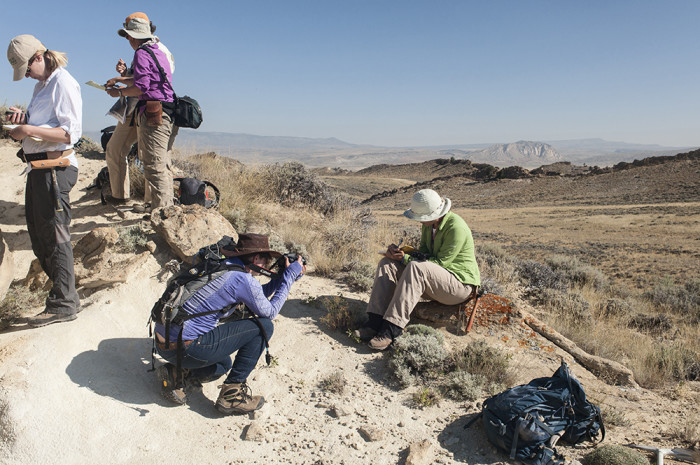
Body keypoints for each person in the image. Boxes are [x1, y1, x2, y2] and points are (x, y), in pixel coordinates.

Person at [154, 233, 305, 414]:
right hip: (188, 348)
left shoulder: (224, 267)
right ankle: (231, 396)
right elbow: (270, 312)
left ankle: (176, 374)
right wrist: (288, 277)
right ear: (256, 258)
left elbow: (257, 296)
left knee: (223, 364)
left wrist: (281, 279)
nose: (267, 265)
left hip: (164, 344)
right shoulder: (242, 279)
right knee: (264, 326)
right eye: (266, 260)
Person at [6, 35, 82, 326]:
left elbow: (68, 134)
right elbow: (45, 123)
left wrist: (26, 128)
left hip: (55, 169)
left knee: (55, 236)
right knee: (40, 239)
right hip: (38, 169)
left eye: (26, 69)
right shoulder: (42, 86)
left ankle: (64, 302)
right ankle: (63, 293)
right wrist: (24, 120)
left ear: (39, 57)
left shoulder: (63, 82)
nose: (26, 75)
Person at [355, 189, 481, 350]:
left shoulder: (456, 227)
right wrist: (401, 253)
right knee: (387, 263)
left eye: (423, 218)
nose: (421, 222)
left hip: (459, 286)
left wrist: (406, 259)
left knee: (415, 267)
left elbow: (441, 263)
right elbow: (425, 254)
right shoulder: (430, 225)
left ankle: (391, 330)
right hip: (436, 282)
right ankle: (374, 321)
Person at [105, 13, 176, 212]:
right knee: (156, 164)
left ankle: (163, 213)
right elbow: (147, 80)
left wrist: (118, 91)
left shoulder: (142, 53)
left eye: (128, 36)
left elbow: (142, 88)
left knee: (154, 165)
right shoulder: (157, 50)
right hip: (163, 108)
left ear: (135, 35)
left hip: (153, 110)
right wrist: (119, 79)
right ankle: (159, 209)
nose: (128, 40)